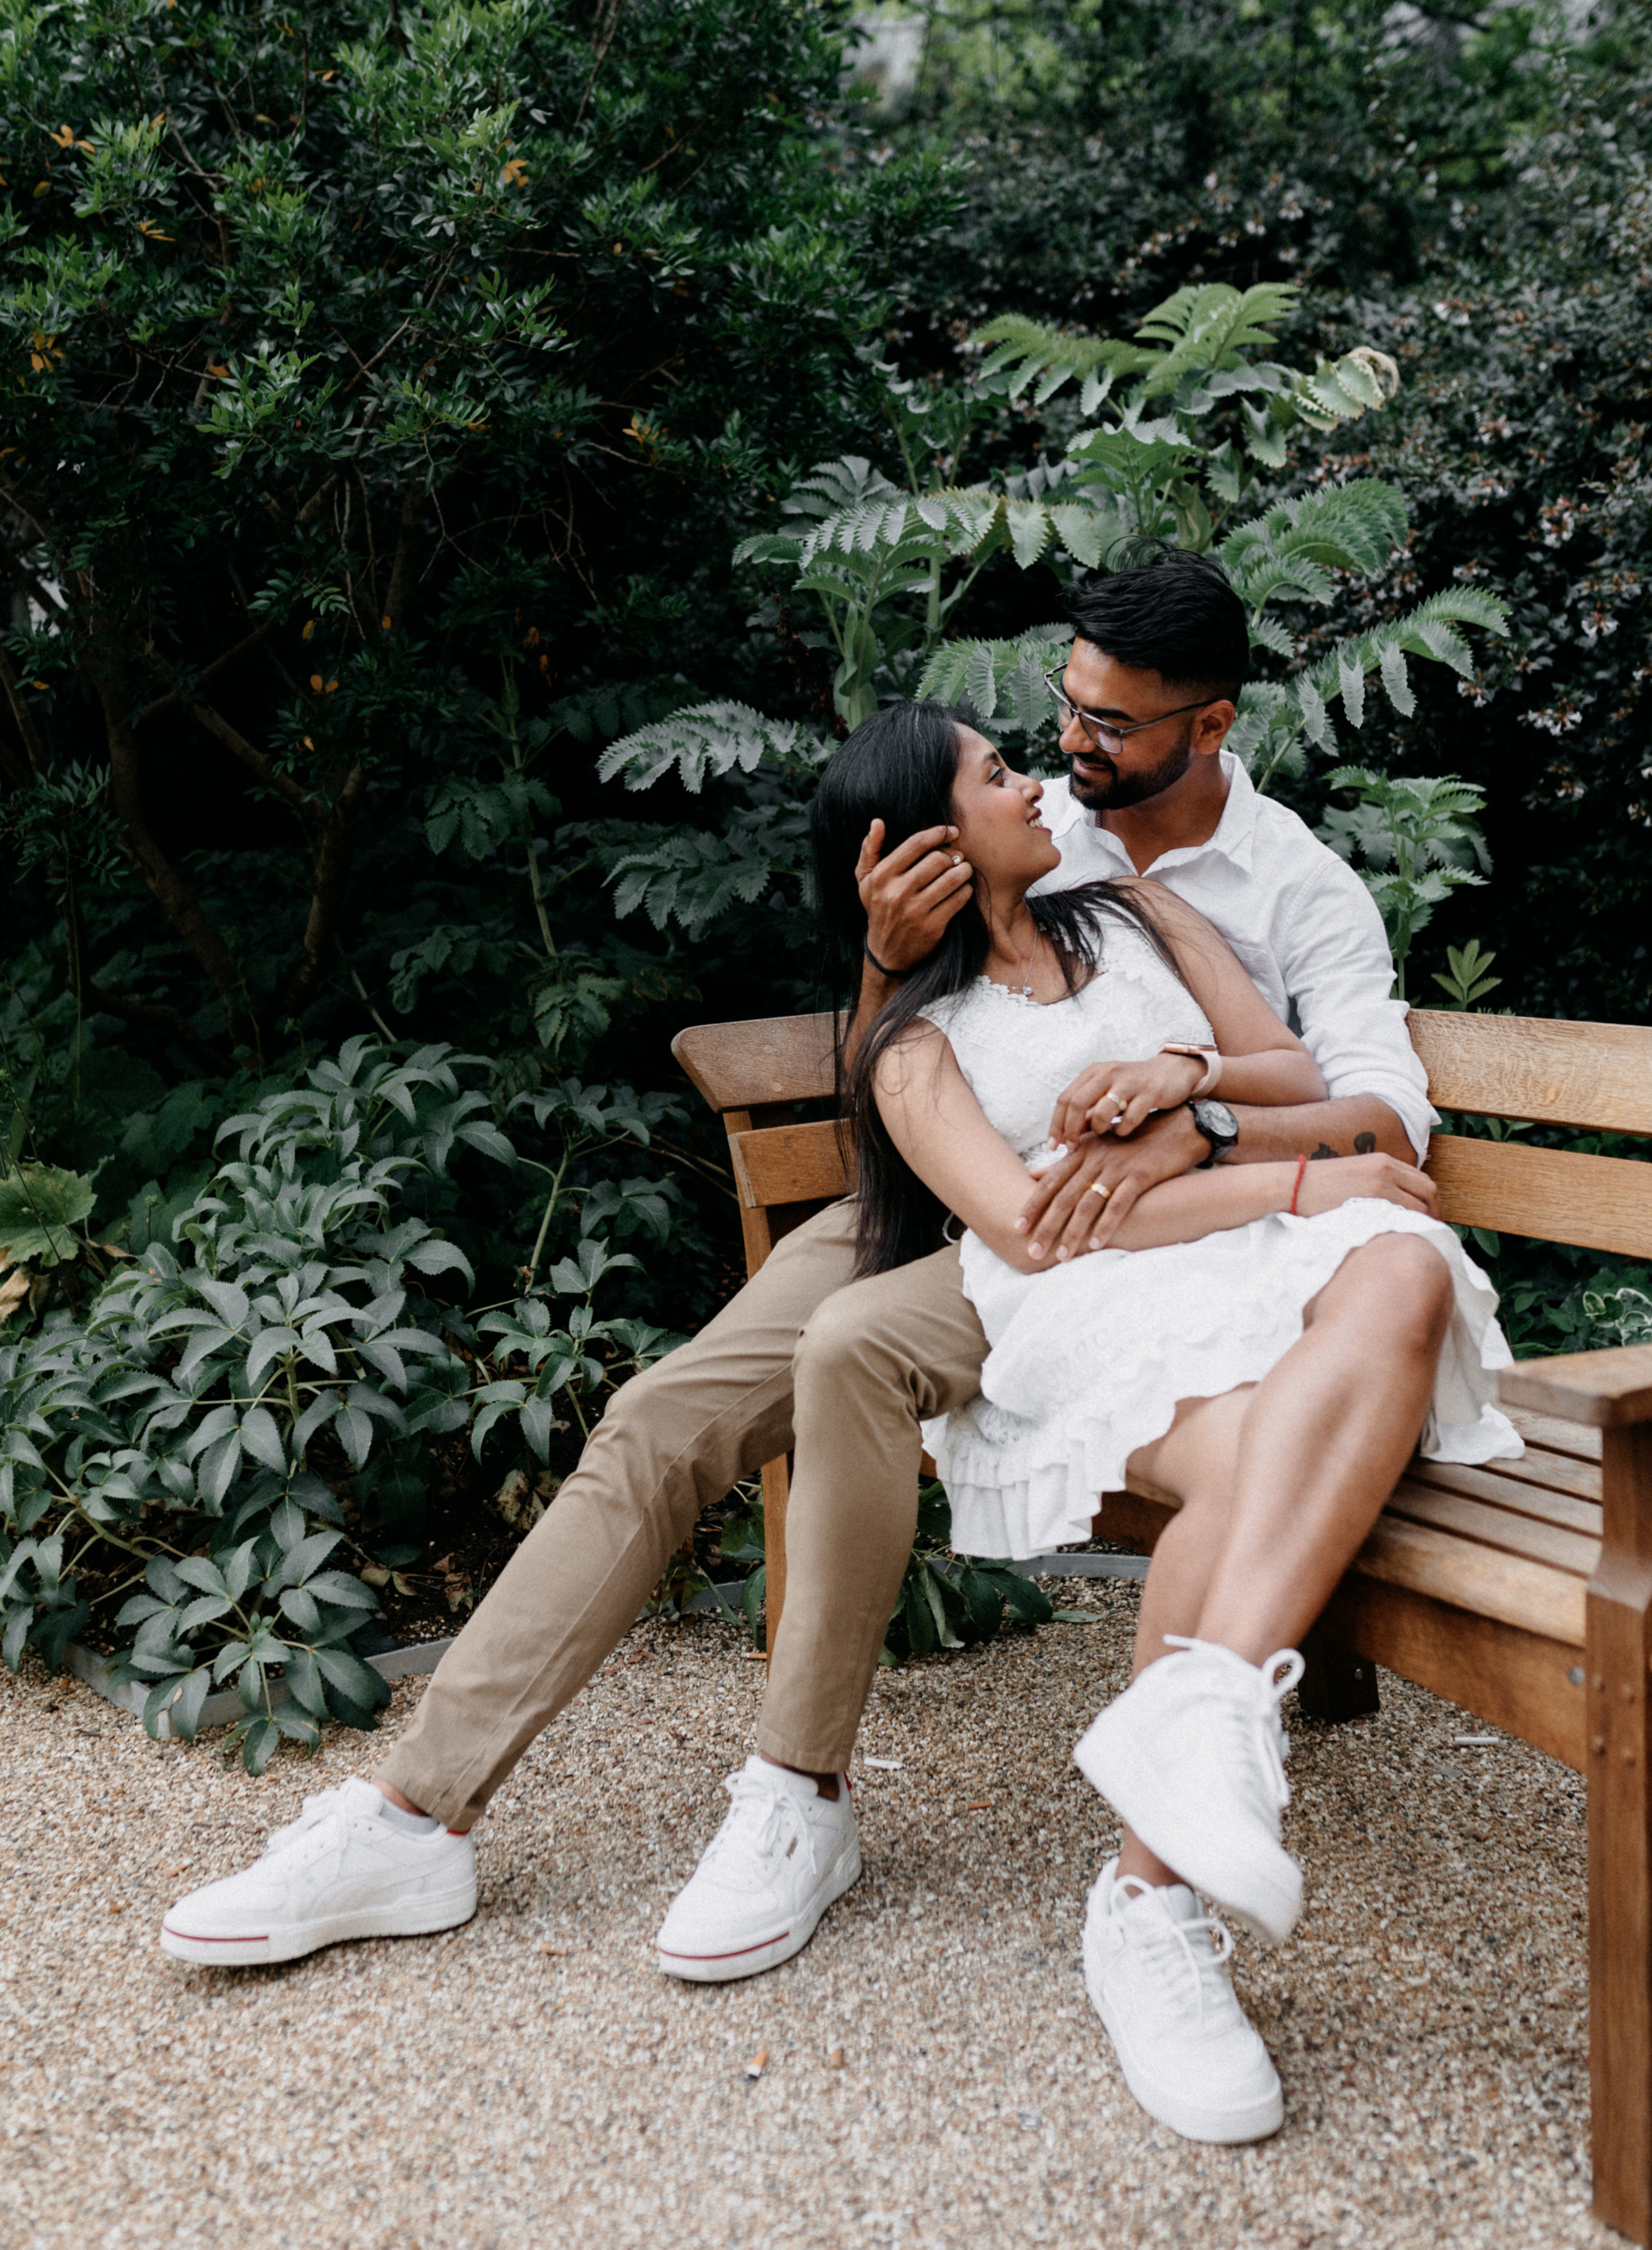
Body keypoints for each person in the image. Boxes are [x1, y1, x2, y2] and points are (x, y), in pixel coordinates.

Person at [156, 556, 1436, 2014]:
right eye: (1054, 719)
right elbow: (909, 1047)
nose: (1066, 759)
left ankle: (797, 1792)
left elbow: (1370, 1112)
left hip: (1091, 1233)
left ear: (1205, 728)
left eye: (1106, 729)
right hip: (940, 1185)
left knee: (851, 1350)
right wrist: (887, 961)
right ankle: (406, 1820)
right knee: (656, 1419)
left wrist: (1198, 1116)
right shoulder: (1043, 822)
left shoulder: (1288, 890)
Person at [811, 696, 1518, 2142]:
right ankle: (1150, 1899)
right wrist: (1297, 1185)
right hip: (1097, 1309)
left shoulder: (1128, 917)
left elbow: (1299, 1076)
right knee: (1295, 1376)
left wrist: (1185, 1076)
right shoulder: (912, 1046)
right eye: (998, 774)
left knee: (1401, 1268)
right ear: (939, 846)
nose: (1034, 786)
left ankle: (1189, 1732)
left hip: (1254, 1260)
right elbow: (1029, 1233)